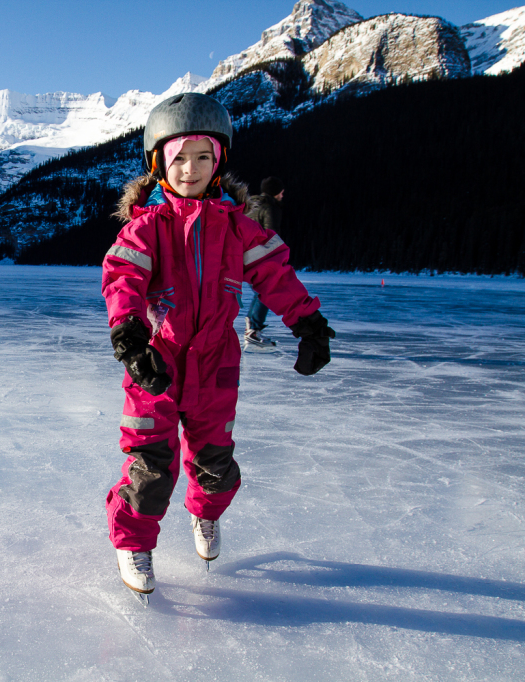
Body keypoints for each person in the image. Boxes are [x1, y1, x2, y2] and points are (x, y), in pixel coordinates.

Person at [102, 93, 335, 600]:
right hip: (155, 365)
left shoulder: (236, 226)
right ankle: (134, 543)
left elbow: (274, 273)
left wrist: (308, 322)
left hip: (215, 367)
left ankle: (203, 516)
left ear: (219, 161)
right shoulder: (147, 227)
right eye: (179, 157)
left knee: (217, 470)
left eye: (203, 157)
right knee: (149, 469)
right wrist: (130, 337)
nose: (191, 168)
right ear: (158, 161)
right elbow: (122, 278)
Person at [243, 177, 286, 350]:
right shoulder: (269, 208)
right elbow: (271, 234)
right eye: (281, 192)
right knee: (266, 289)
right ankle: (253, 329)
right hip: (259, 255)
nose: (283, 196)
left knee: (260, 291)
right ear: (274, 192)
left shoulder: (252, 205)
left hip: (243, 253)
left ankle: (252, 327)